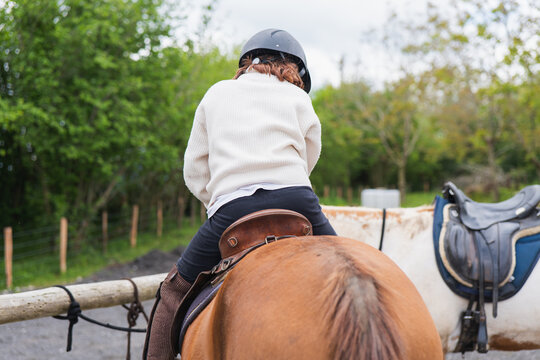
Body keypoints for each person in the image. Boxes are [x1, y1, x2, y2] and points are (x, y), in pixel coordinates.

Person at [143, 28, 336, 359]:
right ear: (296, 70)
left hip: (233, 209)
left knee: (173, 292)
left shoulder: (217, 93)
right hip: (298, 202)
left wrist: (217, 199)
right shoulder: (298, 98)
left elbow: (195, 168)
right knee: (345, 266)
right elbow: (309, 155)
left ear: (246, 62)